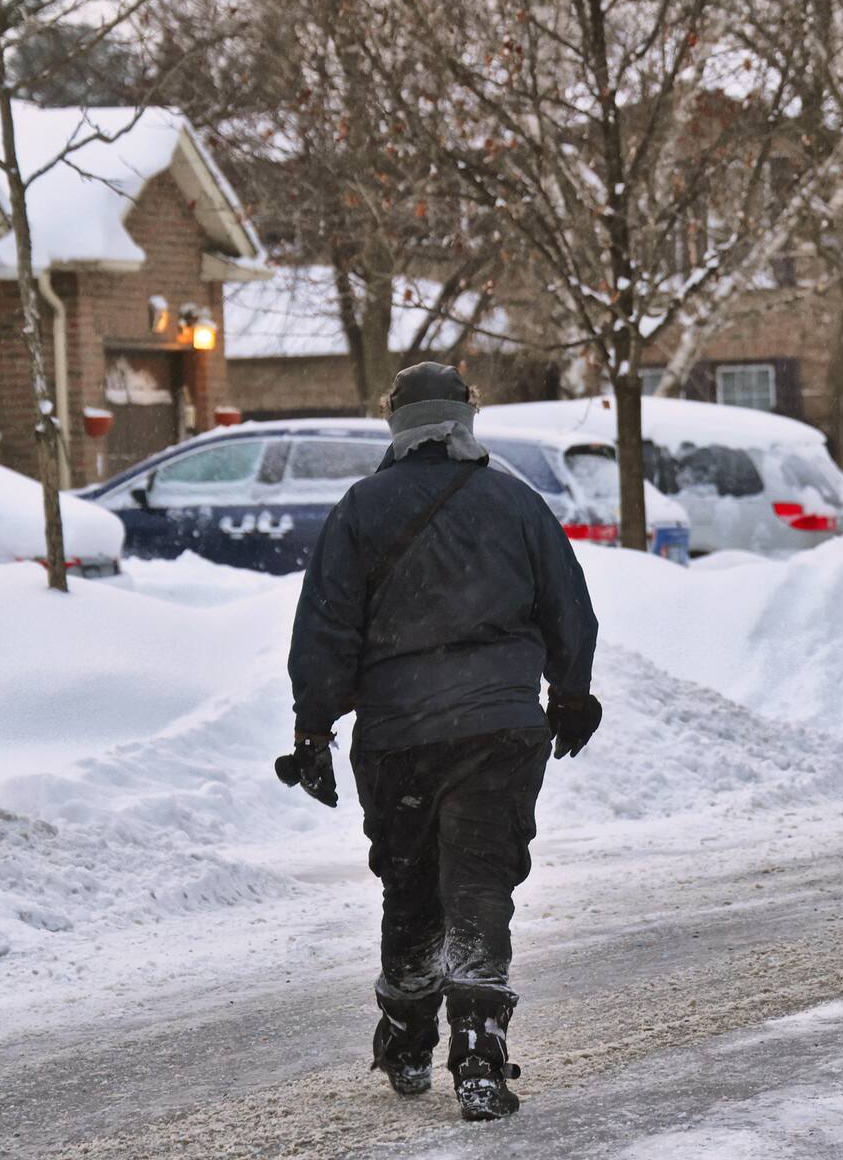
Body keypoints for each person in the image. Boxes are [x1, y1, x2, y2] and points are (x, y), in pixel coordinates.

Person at [277, 361, 601, 1121]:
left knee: (411, 886)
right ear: (467, 419)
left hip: (398, 739)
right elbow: (569, 607)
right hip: (499, 730)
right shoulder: (516, 503)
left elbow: (325, 627)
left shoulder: (361, 510)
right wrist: (571, 693)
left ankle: (406, 1034)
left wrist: (314, 728)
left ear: (395, 421)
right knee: (481, 884)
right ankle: (481, 1053)